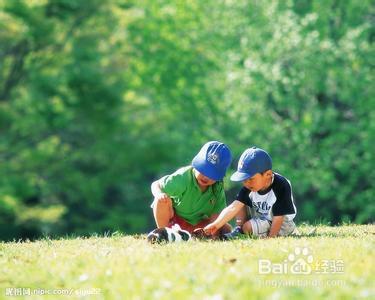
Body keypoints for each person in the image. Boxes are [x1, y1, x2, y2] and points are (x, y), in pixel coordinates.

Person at [204, 147, 297, 238]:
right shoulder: (251, 186)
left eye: (250, 179)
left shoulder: (281, 185)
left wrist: (271, 238)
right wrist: (216, 225)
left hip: (282, 225)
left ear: (267, 174)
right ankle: (239, 229)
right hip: (262, 220)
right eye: (244, 179)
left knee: (248, 227)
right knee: (240, 202)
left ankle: (244, 231)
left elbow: (279, 217)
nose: (247, 183)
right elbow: (233, 207)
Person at [150, 141, 232, 235]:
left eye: (212, 174)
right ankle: (164, 234)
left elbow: (216, 214)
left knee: (223, 226)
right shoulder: (183, 177)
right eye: (203, 170)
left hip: (197, 225)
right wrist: (159, 194)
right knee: (160, 201)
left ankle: (196, 236)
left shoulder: (217, 186)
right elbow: (156, 184)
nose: (206, 177)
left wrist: (216, 227)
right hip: (173, 221)